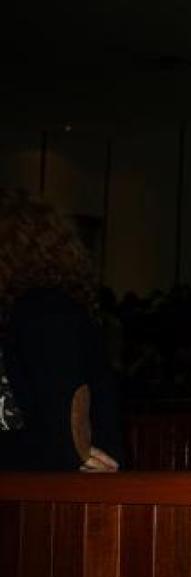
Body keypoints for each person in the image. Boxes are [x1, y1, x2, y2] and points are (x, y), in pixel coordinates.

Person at [0, 190, 123, 471]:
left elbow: (61, 423)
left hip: (58, 488)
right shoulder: (39, 311)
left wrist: (72, 454)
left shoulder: (44, 311)